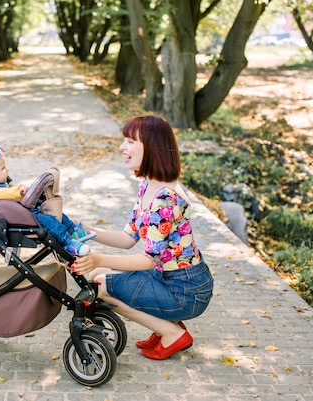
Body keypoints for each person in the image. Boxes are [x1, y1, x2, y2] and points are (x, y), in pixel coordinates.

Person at [70, 115, 213, 360]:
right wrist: (84, 231)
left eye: (129, 141)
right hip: (172, 279)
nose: (121, 147)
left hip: (185, 290)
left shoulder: (165, 198)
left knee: (101, 286)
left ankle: (171, 332)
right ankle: (165, 327)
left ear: (151, 147)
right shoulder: (148, 185)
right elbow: (128, 238)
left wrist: (99, 259)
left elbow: (149, 260)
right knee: (95, 276)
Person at [0, 139, 95, 256]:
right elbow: (3, 194)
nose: (7, 170)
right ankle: (68, 243)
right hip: (19, 216)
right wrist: (18, 191)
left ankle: (72, 230)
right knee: (49, 221)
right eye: (3, 169)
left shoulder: (2, 183)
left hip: (25, 210)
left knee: (50, 209)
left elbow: (10, 190)